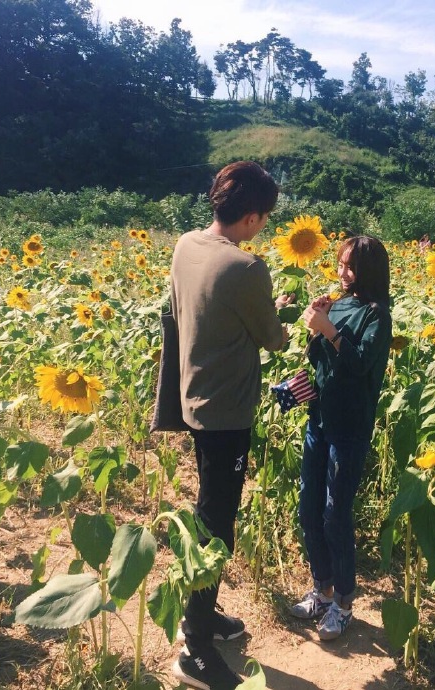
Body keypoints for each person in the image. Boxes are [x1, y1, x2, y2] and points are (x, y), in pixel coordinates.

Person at [170, 161, 291, 690]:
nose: (263, 226)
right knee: (217, 523)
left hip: (194, 396)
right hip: (226, 413)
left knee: (207, 510)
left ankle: (203, 613)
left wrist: (264, 309)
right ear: (251, 216)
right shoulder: (247, 268)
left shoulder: (186, 244)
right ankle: (194, 646)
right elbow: (275, 340)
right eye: (263, 217)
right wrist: (280, 316)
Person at [290, 236, 392, 641]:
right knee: (309, 506)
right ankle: (322, 587)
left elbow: (361, 364)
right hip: (319, 419)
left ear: (368, 271)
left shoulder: (376, 315)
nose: (342, 272)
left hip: (350, 426)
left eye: (350, 266)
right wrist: (316, 327)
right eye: (340, 264)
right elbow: (320, 362)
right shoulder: (339, 303)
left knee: (336, 513)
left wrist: (330, 331)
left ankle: (345, 602)